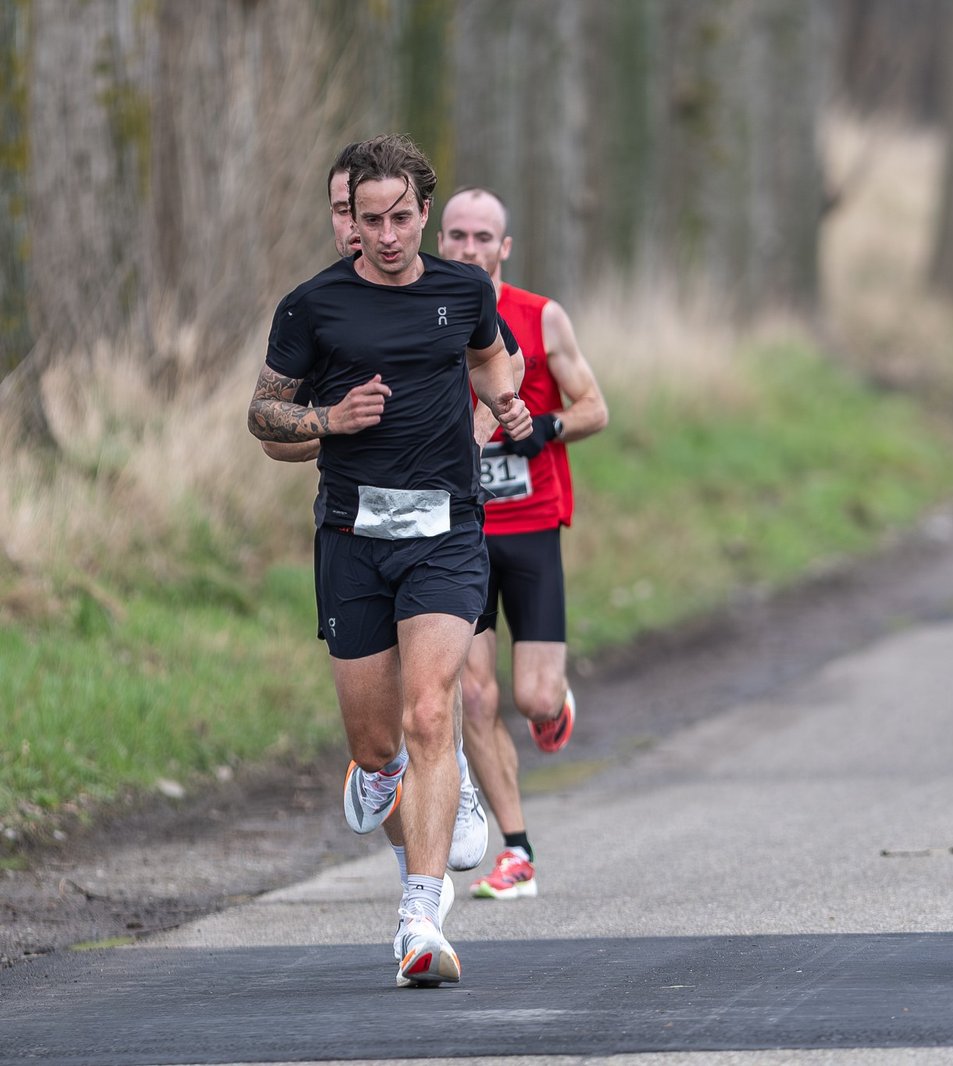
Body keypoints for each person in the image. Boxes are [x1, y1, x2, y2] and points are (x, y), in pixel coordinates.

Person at [247, 134, 533, 987]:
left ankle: (420, 913)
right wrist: (329, 420)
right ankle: (385, 774)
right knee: (377, 744)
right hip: (352, 540)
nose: (386, 235)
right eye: (369, 220)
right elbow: (263, 416)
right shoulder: (313, 307)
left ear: (423, 211)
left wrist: (503, 405)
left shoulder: (464, 290)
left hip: (446, 533)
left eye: (401, 217)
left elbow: (490, 358)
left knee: (431, 709)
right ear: (351, 220)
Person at [435, 187, 608, 902]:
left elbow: (595, 407)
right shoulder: (425, 318)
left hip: (531, 525)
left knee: (532, 699)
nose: (469, 248)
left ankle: (552, 704)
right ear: (439, 241)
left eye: (483, 237)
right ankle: (517, 850)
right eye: (457, 235)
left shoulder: (542, 318)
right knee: (476, 698)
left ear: (504, 247)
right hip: (460, 533)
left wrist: (546, 428)